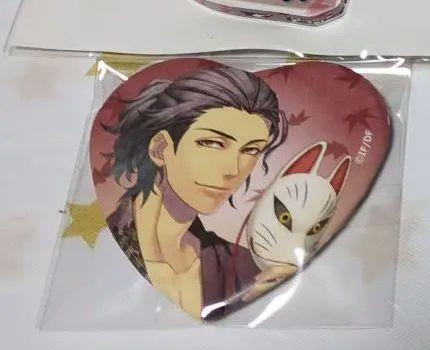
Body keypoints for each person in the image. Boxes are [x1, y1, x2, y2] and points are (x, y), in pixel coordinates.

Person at [105, 64, 292, 319]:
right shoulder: (104, 243)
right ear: (160, 148)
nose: (232, 170)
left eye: (251, 150)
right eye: (212, 143)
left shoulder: (244, 269)